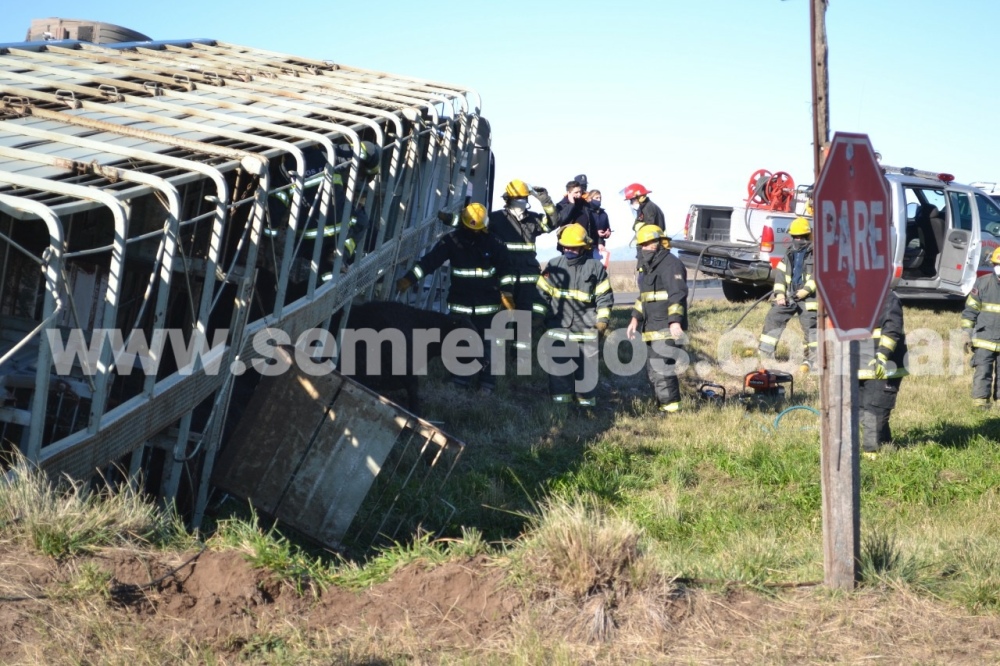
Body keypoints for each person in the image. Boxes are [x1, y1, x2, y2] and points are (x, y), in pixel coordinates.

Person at [396, 202, 513, 392]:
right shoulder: (452, 240)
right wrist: (409, 279)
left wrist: (507, 294)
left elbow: (506, 271)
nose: (474, 233)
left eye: (478, 230)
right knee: (462, 342)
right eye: (471, 229)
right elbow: (429, 262)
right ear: (463, 225)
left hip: (487, 305)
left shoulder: (495, 243)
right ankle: (459, 381)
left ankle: (486, 384)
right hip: (461, 304)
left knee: (489, 344)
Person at [536, 223, 613, 408]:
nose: (568, 250)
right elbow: (541, 295)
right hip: (558, 330)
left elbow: (605, 298)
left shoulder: (595, 267)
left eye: (573, 247)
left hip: (586, 332)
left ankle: (586, 411)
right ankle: (562, 410)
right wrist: (538, 318)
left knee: (586, 375)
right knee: (558, 374)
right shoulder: (554, 265)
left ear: (583, 247)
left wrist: (602, 323)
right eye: (566, 246)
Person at [626, 224, 689, 414]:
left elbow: (678, 295)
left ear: (661, 243)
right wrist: (635, 319)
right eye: (643, 245)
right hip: (651, 327)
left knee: (662, 369)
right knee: (654, 372)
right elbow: (644, 298)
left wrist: (675, 321)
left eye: (649, 244)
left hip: (666, 327)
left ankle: (672, 411)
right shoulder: (649, 268)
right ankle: (664, 406)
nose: (645, 248)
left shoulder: (671, 264)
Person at [758, 216, 817, 373]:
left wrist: (806, 290)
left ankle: (812, 361)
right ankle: (766, 355)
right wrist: (779, 294)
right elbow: (781, 274)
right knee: (773, 317)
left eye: (801, 237)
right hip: (790, 295)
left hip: (809, 298)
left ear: (808, 235)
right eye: (795, 237)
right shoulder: (790, 252)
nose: (798, 240)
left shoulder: (817, 253)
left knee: (811, 328)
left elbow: (819, 275)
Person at [858, 291, 908, 453]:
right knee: (862, 410)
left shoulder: (887, 297)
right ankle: (886, 447)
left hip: (885, 367)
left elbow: (892, 329)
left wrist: (882, 355)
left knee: (875, 410)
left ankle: (871, 453)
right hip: (861, 367)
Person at [961, 246, 1000, 409]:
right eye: (997, 265)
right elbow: (970, 310)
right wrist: (966, 333)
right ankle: (980, 402)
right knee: (982, 370)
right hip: (984, 338)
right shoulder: (983, 283)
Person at [587, 189, 612, 266]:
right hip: (588, 246)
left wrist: (608, 232)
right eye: (596, 198)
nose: (599, 200)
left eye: (600, 198)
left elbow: (607, 227)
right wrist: (596, 233)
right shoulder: (587, 212)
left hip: (600, 247)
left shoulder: (603, 214)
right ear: (590, 199)